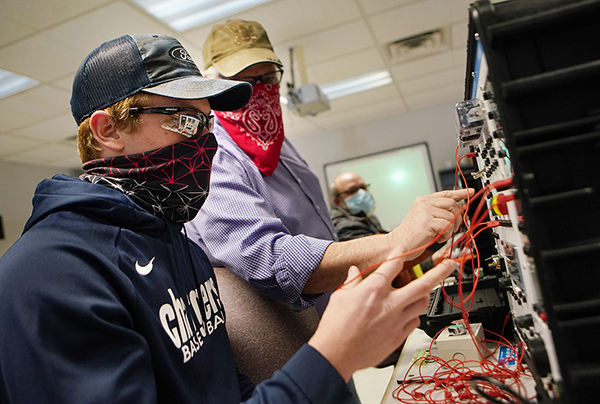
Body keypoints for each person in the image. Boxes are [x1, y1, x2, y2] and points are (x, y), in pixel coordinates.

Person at [0, 33, 458, 404]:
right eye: (184, 120)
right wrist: (330, 356)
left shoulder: (181, 247)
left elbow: (226, 388)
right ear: (108, 130)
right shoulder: (49, 274)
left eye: (207, 123)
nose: (205, 143)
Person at [185, 19, 470, 310]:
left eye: (268, 78)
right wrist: (395, 240)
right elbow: (267, 260)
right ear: (216, 85)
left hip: (345, 312)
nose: (260, 91)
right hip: (297, 339)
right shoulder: (211, 155)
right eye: (244, 81)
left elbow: (324, 239)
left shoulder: (278, 143)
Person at [330, 171, 387, 242]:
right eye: (352, 190)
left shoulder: (368, 218)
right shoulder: (345, 227)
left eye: (363, 187)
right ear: (337, 201)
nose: (362, 192)